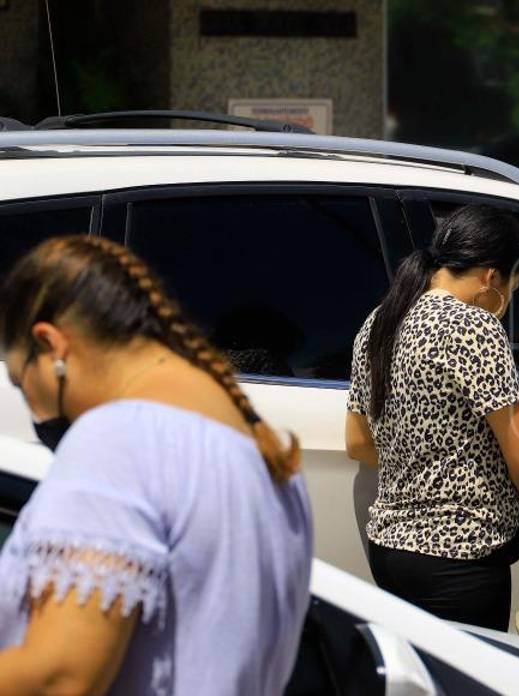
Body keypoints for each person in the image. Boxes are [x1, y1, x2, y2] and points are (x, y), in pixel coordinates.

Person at [0, 236, 311, 694]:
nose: (31, 406)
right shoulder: (262, 451)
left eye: (19, 380)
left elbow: (60, 676)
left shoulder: (117, 440)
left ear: (51, 345)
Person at [345, 204, 519, 632]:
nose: (507, 302)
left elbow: (358, 443)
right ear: (491, 277)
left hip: (389, 549)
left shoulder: (379, 321)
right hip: (460, 558)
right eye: (513, 288)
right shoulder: (472, 326)